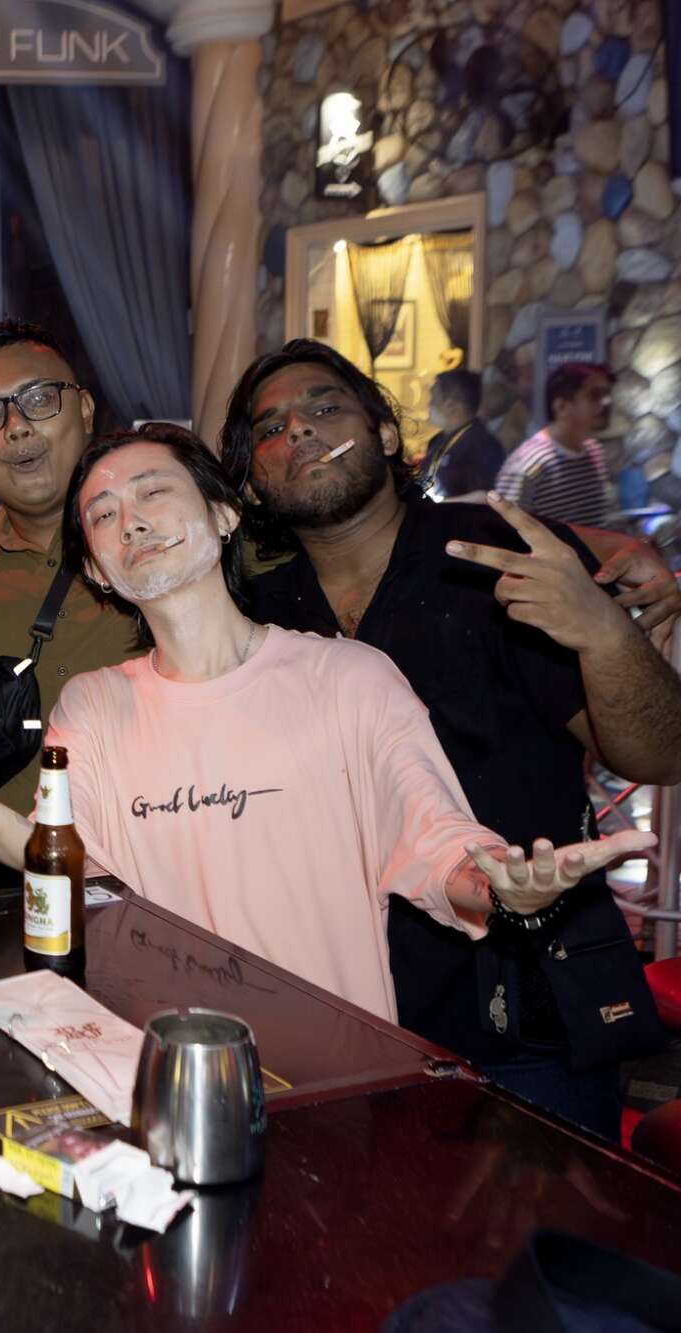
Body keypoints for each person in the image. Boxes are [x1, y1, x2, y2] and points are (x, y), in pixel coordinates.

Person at [0, 423, 654, 1034]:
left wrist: (502, 887)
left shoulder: (349, 678)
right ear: (99, 570)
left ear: (224, 514)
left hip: (335, 1074)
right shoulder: (94, 707)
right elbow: (63, 861)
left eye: (153, 492)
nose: (131, 521)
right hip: (161, 1067)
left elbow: (436, 840)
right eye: (103, 515)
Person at [224, 340, 679, 1135]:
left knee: (548, 1217)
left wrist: (606, 632)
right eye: (270, 427)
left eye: (324, 407)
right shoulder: (253, 615)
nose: (297, 429)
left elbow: (657, 755)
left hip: (525, 1015)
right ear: (255, 479)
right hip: (338, 1022)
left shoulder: (494, 557)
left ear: (385, 433)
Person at [0, 320, 143, 807]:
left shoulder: (163, 545)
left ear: (86, 410)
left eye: (40, 399)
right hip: (7, 853)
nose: (16, 426)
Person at [495, 363, 619, 530]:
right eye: (594, 395)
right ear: (561, 406)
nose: (606, 402)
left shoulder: (593, 451)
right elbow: (505, 531)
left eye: (607, 394)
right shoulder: (529, 464)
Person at [420, 368, 504, 501]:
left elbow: (488, 497)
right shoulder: (437, 441)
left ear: (452, 406)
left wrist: (438, 504)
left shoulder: (482, 445)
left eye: (434, 399)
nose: (429, 405)